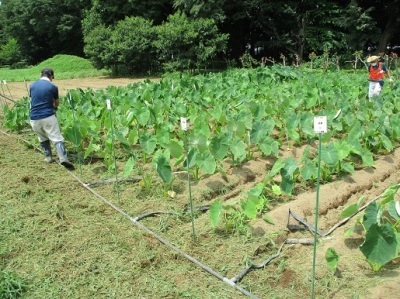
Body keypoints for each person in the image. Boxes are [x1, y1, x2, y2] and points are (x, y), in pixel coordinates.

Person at [29, 67, 74, 169]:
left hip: (34, 117)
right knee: (56, 137)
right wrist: (54, 107)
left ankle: (48, 157)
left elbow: (33, 100)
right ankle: (63, 159)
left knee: (42, 137)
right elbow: (56, 102)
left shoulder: (32, 85)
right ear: (51, 76)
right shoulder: (53, 86)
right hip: (48, 115)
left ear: (41, 75)